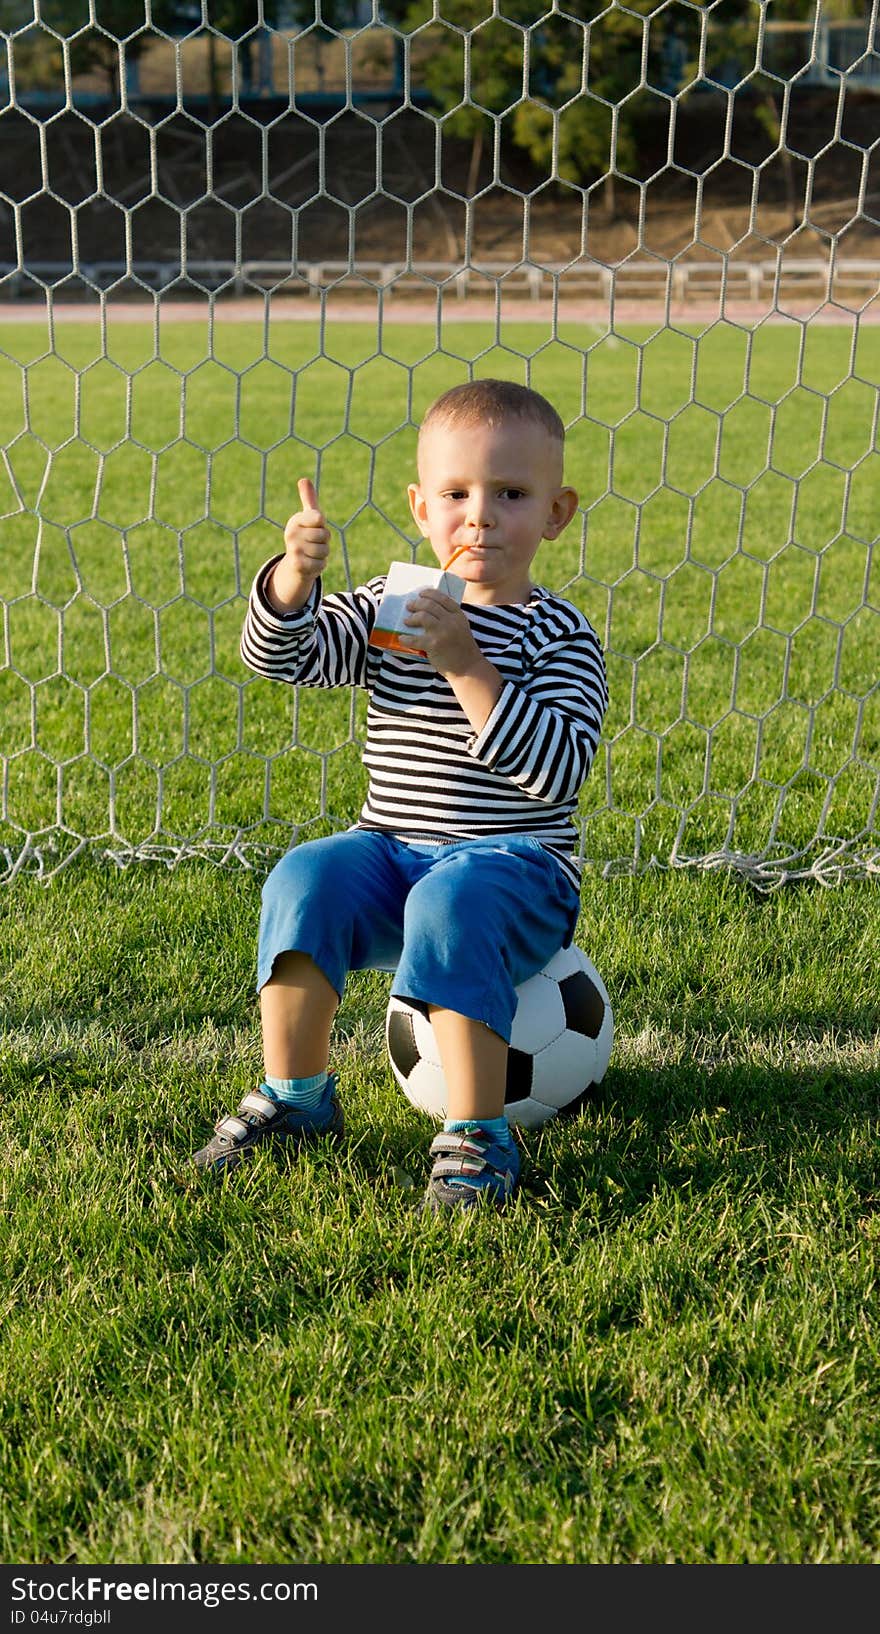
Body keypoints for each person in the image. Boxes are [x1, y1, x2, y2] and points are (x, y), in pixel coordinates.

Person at [193, 378, 608, 1210]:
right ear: (422, 508)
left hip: (518, 869)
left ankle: (479, 1137)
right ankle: (297, 1094)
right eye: (456, 493)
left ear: (556, 513)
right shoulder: (400, 608)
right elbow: (286, 657)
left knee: (456, 897)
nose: (480, 515)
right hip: (392, 851)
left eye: (511, 494)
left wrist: (466, 664)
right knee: (306, 876)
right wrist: (292, 583)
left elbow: (558, 770)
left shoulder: (560, 633)